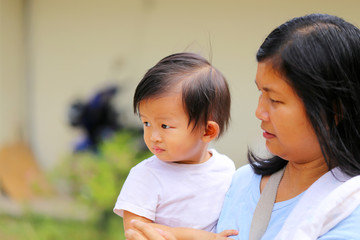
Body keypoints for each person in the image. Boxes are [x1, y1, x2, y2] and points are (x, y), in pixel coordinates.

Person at [124, 13, 360, 240]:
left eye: (275, 100)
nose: (259, 112)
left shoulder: (350, 205)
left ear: (333, 110)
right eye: (260, 92)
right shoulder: (239, 182)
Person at [113, 52, 237, 238]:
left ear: (207, 131)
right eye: (146, 123)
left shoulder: (226, 170)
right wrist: (200, 237)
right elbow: (135, 230)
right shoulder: (145, 176)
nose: (153, 136)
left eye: (164, 126)